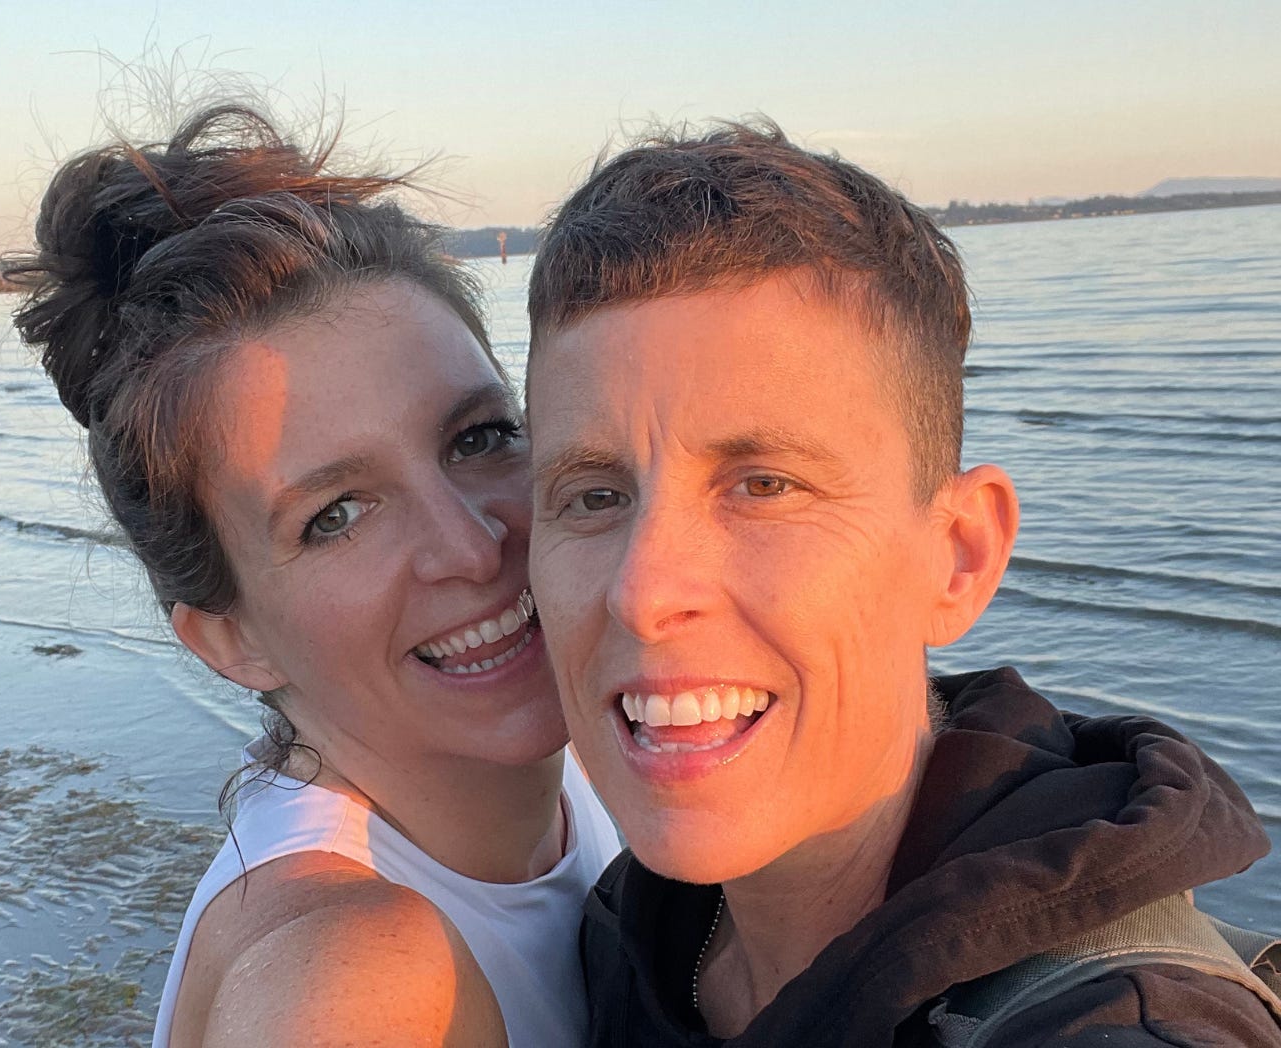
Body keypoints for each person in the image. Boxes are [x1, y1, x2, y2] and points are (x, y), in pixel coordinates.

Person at [523, 121, 1280, 1047]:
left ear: (958, 558)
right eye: (595, 496)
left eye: (765, 486)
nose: (642, 593)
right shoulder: (632, 929)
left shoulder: (1111, 1024)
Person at [2, 104, 620, 1048]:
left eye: (479, 437)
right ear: (230, 639)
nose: (469, 547)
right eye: (335, 515)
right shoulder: (353, 974)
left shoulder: (600, 767)